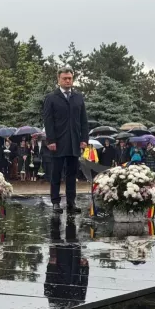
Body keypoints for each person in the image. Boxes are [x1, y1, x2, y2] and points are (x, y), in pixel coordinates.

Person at [43, 66, 89, 214]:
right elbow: (48, 121)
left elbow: (84, 121)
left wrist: (84, 139)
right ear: (59, 79)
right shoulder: (51, 98)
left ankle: (71, 202)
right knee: (56, 173)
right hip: (58, 142)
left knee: (72, 174)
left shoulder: (78, 97)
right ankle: (56, 202)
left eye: (70, 78)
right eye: (65, 78)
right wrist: (51, 140)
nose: (68, 81)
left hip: (74, 142)